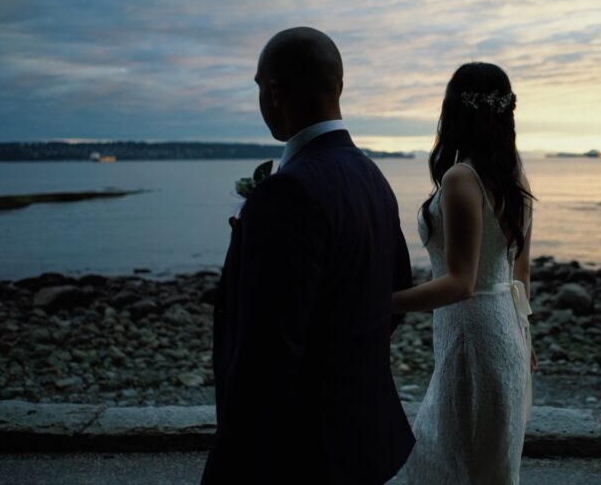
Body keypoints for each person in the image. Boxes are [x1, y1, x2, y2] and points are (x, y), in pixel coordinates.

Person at [201, 27, 415, 484]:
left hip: (300, 450)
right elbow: (396, 289)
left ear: (275, 92)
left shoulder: (288, 191)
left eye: (259, 87)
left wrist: (230, 465)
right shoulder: (372, 175)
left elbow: (267, 350)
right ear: (339, 86)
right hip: (361, 436)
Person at [393, 62, 537, 484]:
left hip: (472, 336)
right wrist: (526, 338)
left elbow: (460, 283)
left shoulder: (461, 178)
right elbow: (520, 273)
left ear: (452, 109)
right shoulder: (515, 178)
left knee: (454, 457)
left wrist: (382, 302)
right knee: (485, 461)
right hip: (506, 331)